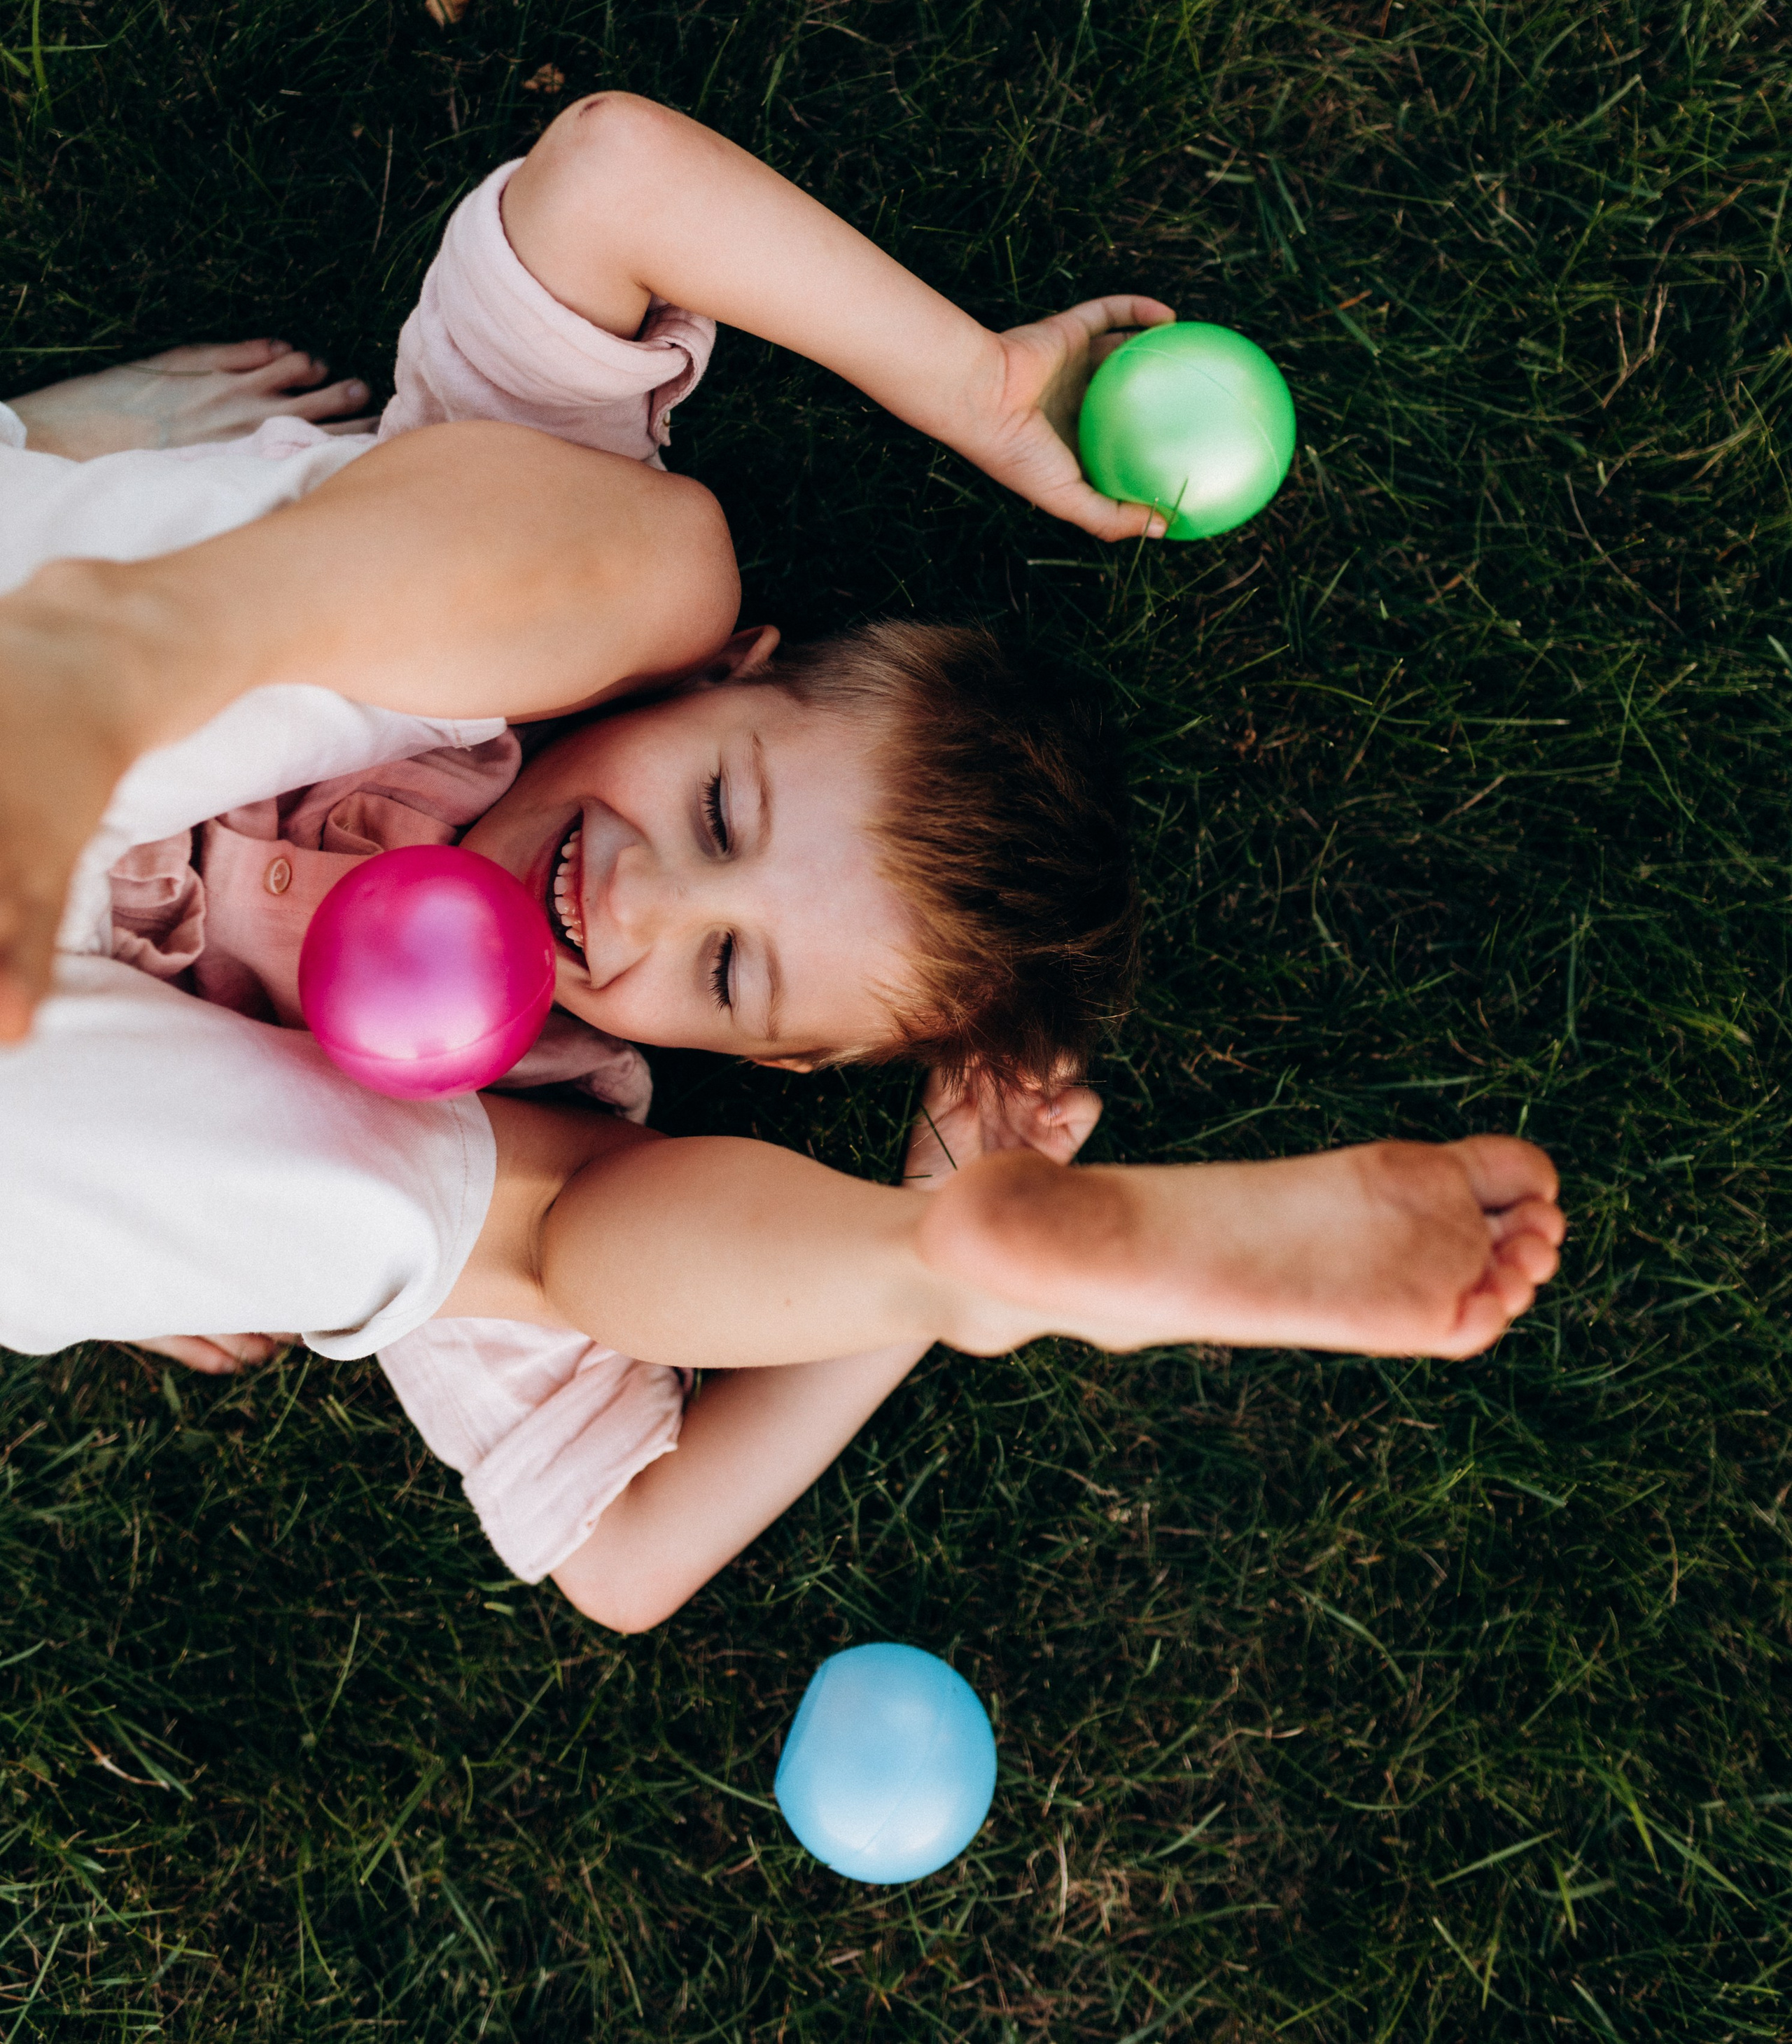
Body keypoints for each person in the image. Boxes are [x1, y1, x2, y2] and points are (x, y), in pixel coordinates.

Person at [0, 94, 1567, 1630]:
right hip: (71, 653)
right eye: (719, 814)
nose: (638, 900)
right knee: (650, 556)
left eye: (727, 970)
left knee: (525, 1236)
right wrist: (979, 380)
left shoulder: (536, 1111)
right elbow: (609, 176)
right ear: (722, 685)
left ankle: (927, 1272)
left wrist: (926, 1254)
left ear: (779, 1065)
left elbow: (623, 1553)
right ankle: (131, 651)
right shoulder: (530, 632)